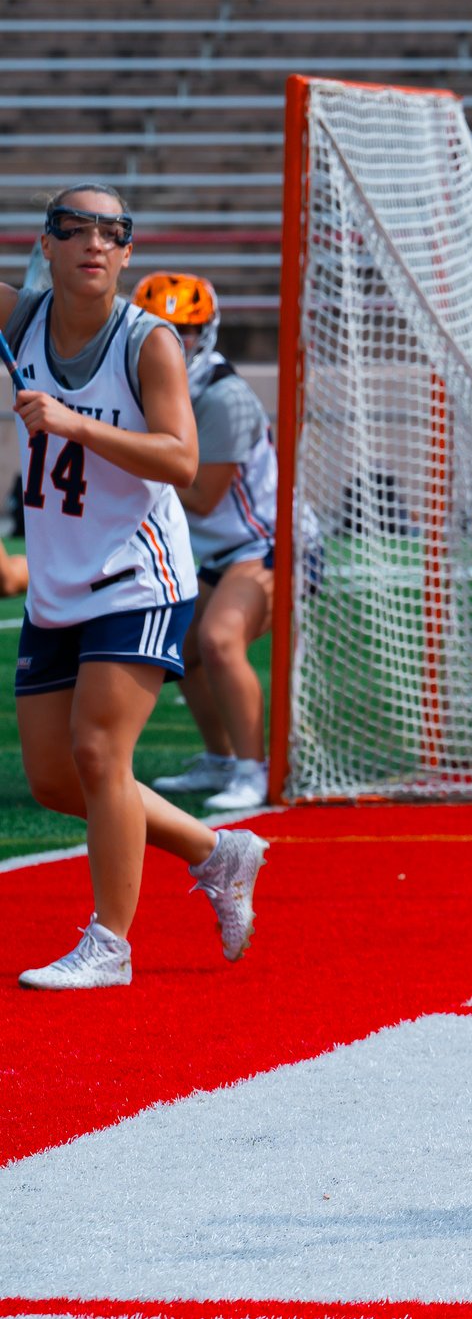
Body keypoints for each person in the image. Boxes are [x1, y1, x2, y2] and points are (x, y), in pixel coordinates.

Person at [6, 184, 268, 990]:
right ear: (45, 246)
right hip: (57, 581)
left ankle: (110, 944)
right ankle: (213, 847)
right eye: (72, 227)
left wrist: (75, 422)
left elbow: (182, 462)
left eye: (110, 231)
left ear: (126, 252)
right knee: (57, 777)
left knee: (98, 751)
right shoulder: (22, 321)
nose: (92, 241)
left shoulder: (147, 341)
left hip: (138, 574)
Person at [134, 273, 278, 812]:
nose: (176, 340)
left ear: (208, 332)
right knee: (183, 649)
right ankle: (220, 759)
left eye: (187, 329)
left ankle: (251, 769)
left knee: (219, 640)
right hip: (223, 550)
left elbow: (204, 497)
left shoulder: (223, 397)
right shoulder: (142, 381)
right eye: (163, 328)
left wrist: (119, 455)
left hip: (267, 544)